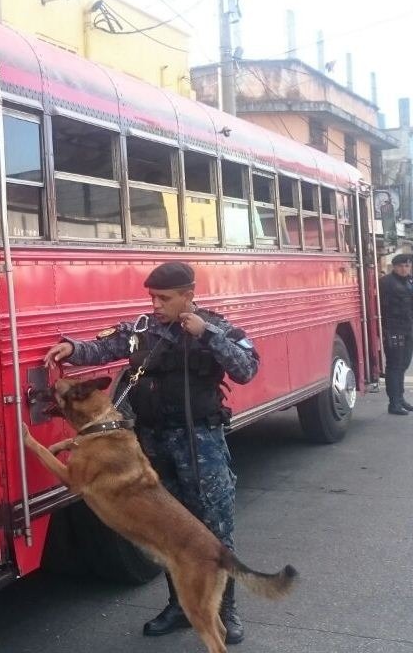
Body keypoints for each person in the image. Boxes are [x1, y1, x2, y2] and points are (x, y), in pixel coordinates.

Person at [43, 262, 259, 646]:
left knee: (213, 531)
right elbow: (104, 346)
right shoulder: (142, 330)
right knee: (167, 534)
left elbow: (246, 369)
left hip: (200, 444)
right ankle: (178, 607)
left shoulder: (216, 326)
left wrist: (208, 335)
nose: (156, 305)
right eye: (152, 298)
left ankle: (224, 612)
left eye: (165, 298)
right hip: (153, 444)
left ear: (188, 296)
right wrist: (73, 348)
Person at [379, 254, 413, 415]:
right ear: (394, 267)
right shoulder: (386, 282)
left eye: (407, 266)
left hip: (407, 328)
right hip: (393, 328)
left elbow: (412, 303)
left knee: (404, 364)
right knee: (395, 366)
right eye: (401, 266)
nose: (404, 269)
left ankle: (401, 398)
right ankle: (394, 403)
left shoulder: (409, 282)